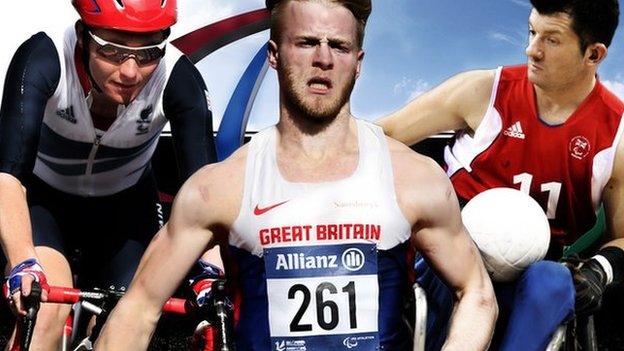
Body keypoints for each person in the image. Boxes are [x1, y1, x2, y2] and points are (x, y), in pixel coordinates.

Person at [94, 0, 498, 350]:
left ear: (357, 63)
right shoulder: (220, 188)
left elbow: (478, 293)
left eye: (338, 46)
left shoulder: (414, 178)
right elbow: (139, 309)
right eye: (306, 42)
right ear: (274, 54)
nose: (323, 59)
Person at [378, 0, 624, 350]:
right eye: (532, 31)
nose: (531, 50)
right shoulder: (482, 92)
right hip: (449, 252)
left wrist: (599, 271)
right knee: (438, 260)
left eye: (551, 40)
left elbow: (623, 235)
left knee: (553, 281)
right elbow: (382, 135)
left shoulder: (616, 136)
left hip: (533, 270)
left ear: (594, 55)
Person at [0, 0, 217, 348]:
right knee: (42, 317)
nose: (131, 72)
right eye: (112, 51)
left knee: (125, 329)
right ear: (83, 36)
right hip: (45, 204)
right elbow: (8, 175)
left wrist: (210, 272)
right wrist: (23, 260)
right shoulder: (44, 56)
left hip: (125, 211)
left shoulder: (179, 77)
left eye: (148, 54)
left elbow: (209, 193)